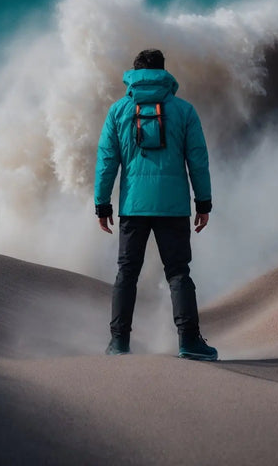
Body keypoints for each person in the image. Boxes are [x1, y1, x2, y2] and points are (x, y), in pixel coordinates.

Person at [95, 49, 218, 361]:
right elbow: (198, 160)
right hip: (173, 207)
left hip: (133, 207)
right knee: (178, 272)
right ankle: (189, 341)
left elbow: (107, 162)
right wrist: (203, 201)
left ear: (134, 74)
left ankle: (119, 343)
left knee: (127, 273)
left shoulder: (119, 111)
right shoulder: (184, 111)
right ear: (164, 73)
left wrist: (102, 204)